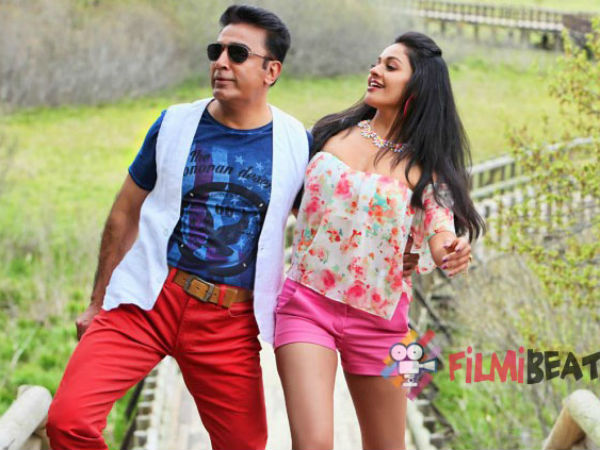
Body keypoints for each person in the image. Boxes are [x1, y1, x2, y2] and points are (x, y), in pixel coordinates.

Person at [45, 5, 311, 450]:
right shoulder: (173, 123)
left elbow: (323, 227)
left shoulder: (297, 143)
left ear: (272, 71)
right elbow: (123, 214)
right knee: (68, 421)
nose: (221, 62)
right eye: (216, 50)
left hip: (229, 318)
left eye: (238, 54)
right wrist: (96, 302)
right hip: (149, 298)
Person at [274, 32, 486, 450]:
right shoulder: (328, 134)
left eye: (390, 66)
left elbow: (441, 227)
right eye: (377, 62)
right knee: (313, 443)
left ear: (418, 86)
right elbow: (292, 199)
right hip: (306, 306)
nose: (375, 70)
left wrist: (451, 249)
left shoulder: (428, 170)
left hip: (383, 323)